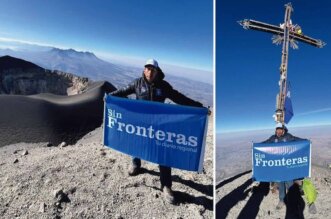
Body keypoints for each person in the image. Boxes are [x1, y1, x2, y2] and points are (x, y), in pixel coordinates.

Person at [108, 58, 205, 204]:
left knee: (163, 154)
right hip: (141, 125)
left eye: (153, 69)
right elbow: (122, 92)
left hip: (159, 126)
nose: (149, 71)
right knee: (136, 143)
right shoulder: (137, 83)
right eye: (147, 68)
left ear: (157, 71)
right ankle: (135, 164)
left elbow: (179, 98)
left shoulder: (164, 86)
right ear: (144, 69)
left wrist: (199, 107)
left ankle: (166, 185)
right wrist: (109, 97)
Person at [262, 123, 304, 210]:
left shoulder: (288, 137)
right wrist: (255, 146)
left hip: (287, 167)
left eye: (280, 129)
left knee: (290, 185)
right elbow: (265, 143)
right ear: (275, 130)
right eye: (277, 129)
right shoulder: (273, 138)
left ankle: (293, 201)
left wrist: (306, 141)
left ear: (283, 130)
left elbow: (296, 140)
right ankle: (282, 200)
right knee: (281, 185)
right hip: (278, 167)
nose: (279, 131)